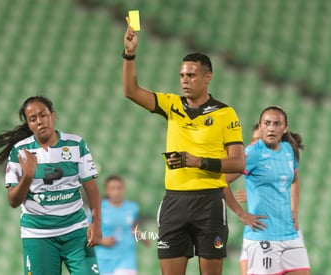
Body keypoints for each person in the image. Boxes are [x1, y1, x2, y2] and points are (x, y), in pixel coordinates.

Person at [123, 19, 246, 275]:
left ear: (207, 77)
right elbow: (131, 91)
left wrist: (198, 161)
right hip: (174, 201)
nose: (184, 80)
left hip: (210, 202)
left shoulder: (225, 113)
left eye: (191, 75)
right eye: (182, 75)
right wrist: (130, 54)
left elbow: (238, 162)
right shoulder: (171, 105)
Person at [0, 95, 102, 275]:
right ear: (29, 125)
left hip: (76, 231)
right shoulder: (20, 151)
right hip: (39, 235)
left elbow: (92, 188)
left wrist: (96, 222)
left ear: (53, 116)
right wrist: (28, 176)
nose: (40, 122)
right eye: (33, 119)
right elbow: (13, 201)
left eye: (43, 115)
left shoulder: (76, 144)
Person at [224, 106, 310, 275]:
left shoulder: (288, 151)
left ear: (284, 128)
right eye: (267, 123)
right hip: (263, 236)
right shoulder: (251, 154)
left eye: (277, 124)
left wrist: (294, 209)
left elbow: (294, 180)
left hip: (290, 234)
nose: (271, 128)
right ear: (261, 126)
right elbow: (222, 182)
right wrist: (242, 214)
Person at [94, 174, 150, 275]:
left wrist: (143, 238)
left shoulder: (133, 208)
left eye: (119, 188)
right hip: (104, 259)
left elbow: (134, 228)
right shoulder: (98, 208)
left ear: (123, 189)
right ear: (106, 190)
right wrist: (102, 241)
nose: (116, 192)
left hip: (126, 259)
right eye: (112, 188)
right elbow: (88, 233)